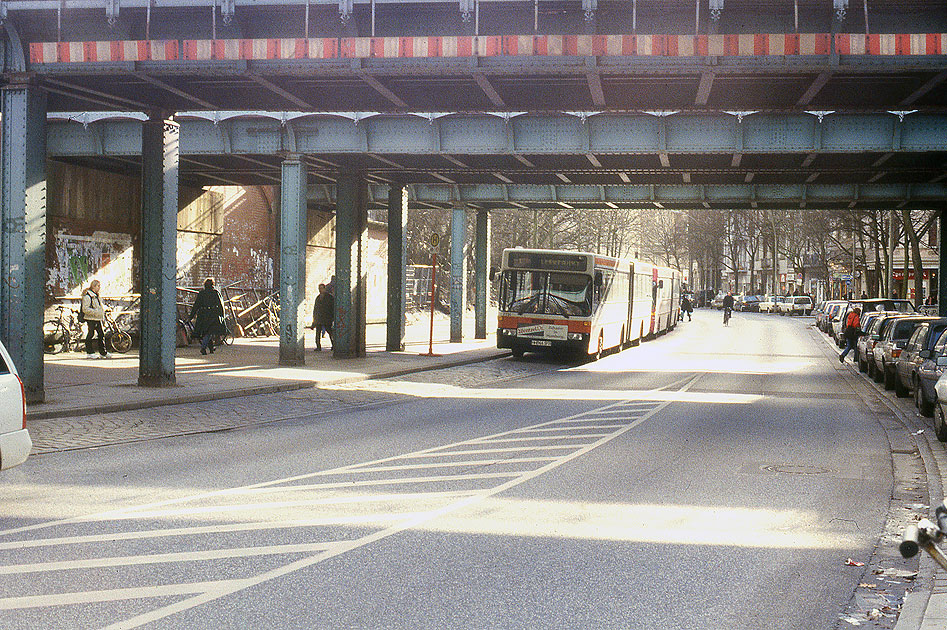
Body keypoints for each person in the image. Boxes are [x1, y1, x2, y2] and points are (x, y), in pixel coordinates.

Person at [188, 278, 227, 355]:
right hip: (213, 314)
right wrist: (222, 316)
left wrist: (191, 316)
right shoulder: (215, 293)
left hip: (203, 314)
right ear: (213, 285)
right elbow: (220, 305)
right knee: (209, 332)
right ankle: (203, 347)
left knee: (207, 331)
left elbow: (196, 305)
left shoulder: (201, 293)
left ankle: (211, 348)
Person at [81, 279, 110, 359]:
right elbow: (85, 309)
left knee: (101, 334)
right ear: (94, 286)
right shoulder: (88, 296)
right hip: (91, 318)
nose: (99, 287)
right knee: (91, 334)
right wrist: (96, 312)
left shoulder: (96, 295)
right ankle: (90, 352)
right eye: (98, 286)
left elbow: (99, 306)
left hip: (97, 318)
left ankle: (103, 352)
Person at [309, 283, 335, 350]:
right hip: (319, 318)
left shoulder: (330, 297)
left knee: (330, 332)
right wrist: (314, 319)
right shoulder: (318, 298)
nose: (320, 290)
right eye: (319, 289)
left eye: (321, 288)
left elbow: (332, 308)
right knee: (318, 333)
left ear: (324, 288)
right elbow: (315, 309)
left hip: (327, 318)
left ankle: (334, 345)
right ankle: (318, 346)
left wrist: (332, 317)